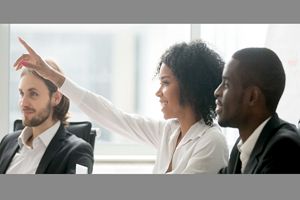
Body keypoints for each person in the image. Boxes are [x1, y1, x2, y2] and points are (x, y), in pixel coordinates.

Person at [14, 37, 229, 174]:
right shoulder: (170, 131)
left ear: (190, 86)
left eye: (165, 83)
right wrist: (53, 76)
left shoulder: (211, 141)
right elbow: (112, 116)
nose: (158, 92)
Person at [0, 58, 94, 174]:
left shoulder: (77, 152)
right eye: (22, 93)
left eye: (33, 94)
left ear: (56, 98)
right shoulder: (7, 142)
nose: (23, 103)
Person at [214, 47, 300, 174]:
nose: (217, 92)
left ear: (252, 96)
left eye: (226, 84)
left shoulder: (284, 149)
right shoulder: (242, 145)